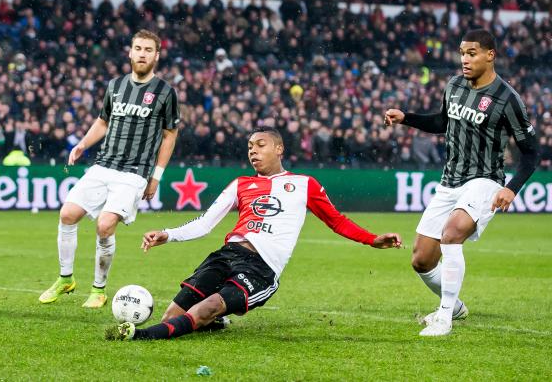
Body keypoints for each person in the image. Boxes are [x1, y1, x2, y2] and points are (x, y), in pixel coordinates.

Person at [105, 127, 401, 341]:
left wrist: (372, 239)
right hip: (225, 256)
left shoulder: (304, 184)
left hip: (261, 267)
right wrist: (167, 234)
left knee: (207, 306)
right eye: (249, 146)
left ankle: (138, 336)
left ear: (279, 149)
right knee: (172, 316)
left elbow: (336, 221)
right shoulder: (240, 184)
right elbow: (206, 223)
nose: (253, 151)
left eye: (260, 145)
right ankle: (212, 323)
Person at [384, 29, 539, 337]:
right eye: (462, 53)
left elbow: (532, 153)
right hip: (449, 181)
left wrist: (511, 188)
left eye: (471, 53)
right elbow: (443, 122)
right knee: (421, 259)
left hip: (485, 180)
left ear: (489, 55)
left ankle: (443, 317)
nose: (464, 59)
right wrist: (407, 118)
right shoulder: (454, 85)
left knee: (452, 233)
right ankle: (455, 306)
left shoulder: (508, 99)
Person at [39, 29, 179, 309]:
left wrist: (156, 176)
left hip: (134, 172)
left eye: (148, 50)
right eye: (138, 48)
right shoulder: (115, 85)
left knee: (105, 224)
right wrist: (81, 145)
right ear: (129, 52)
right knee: (67, 214)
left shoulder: (165, 92)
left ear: (157, 56)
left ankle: (98, 289)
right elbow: (103, 122)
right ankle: (66, 278)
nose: (142, 53)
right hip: (104, 164)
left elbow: (170, 135)